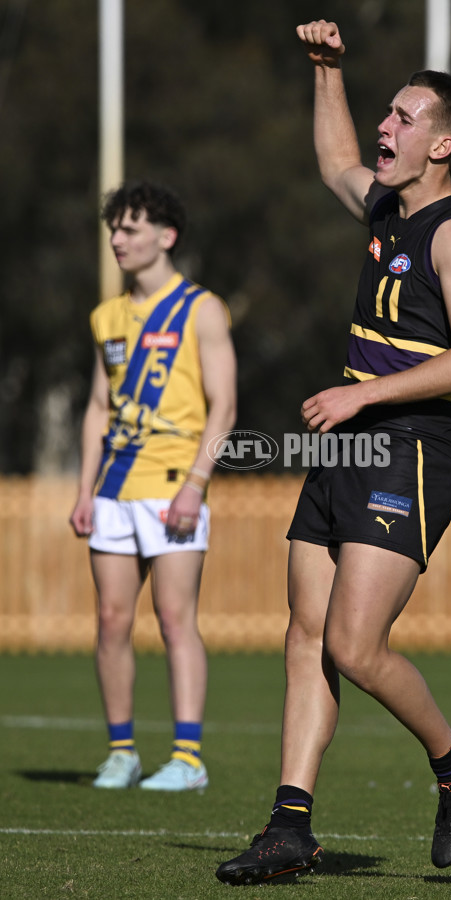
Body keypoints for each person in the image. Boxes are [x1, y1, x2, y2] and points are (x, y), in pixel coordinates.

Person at [216, 19, 451, 884]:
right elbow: (336, 160)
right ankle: (289, 827)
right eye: (387, 111)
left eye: (405, 117)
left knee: (353, 645)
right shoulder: (386, 207)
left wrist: (363, 394)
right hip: (346, 447)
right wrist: (326, 71)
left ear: (442, 144)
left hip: (406, 452)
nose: (387, 125)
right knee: (305, 635)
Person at [70, 180, 237, 791]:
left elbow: (224, 407)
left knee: (173, 618)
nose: (118, 239)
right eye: (114, 229)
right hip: (115, 486)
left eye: (130, 229)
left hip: (174, 484)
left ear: (166, 237)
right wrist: (84, 490)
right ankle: (122, 753)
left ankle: (187, 759)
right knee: (112, 619)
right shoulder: (106, 316)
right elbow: (98, 406)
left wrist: (196, 484)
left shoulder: (202, 308)